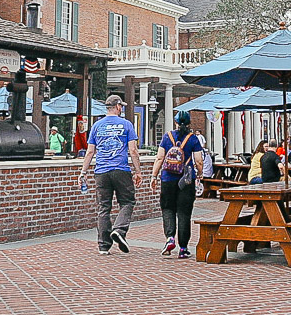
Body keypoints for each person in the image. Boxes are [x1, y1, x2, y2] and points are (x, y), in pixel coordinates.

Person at [81, 94, 140, 254]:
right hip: (121, 169)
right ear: (119, 107)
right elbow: (133, 151)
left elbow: (90, 151)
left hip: (101, 172)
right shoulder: (126, 124)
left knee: (103, 207)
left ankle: (103, 246)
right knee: (127, 201)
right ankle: (119, 230)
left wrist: (83, 172)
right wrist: (138, 171)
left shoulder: (97, 125)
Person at [150, 111, 205, 259]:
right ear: (189, 124)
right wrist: (200, 174)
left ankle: (170, 238)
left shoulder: (167, 137)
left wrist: (154, 176)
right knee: (184, 213)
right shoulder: (193, 139)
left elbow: (160, 157)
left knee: (167, 208)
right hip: (186, 180)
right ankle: (183, 248)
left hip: (167, 178)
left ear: (175, 122)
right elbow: (199, 160)